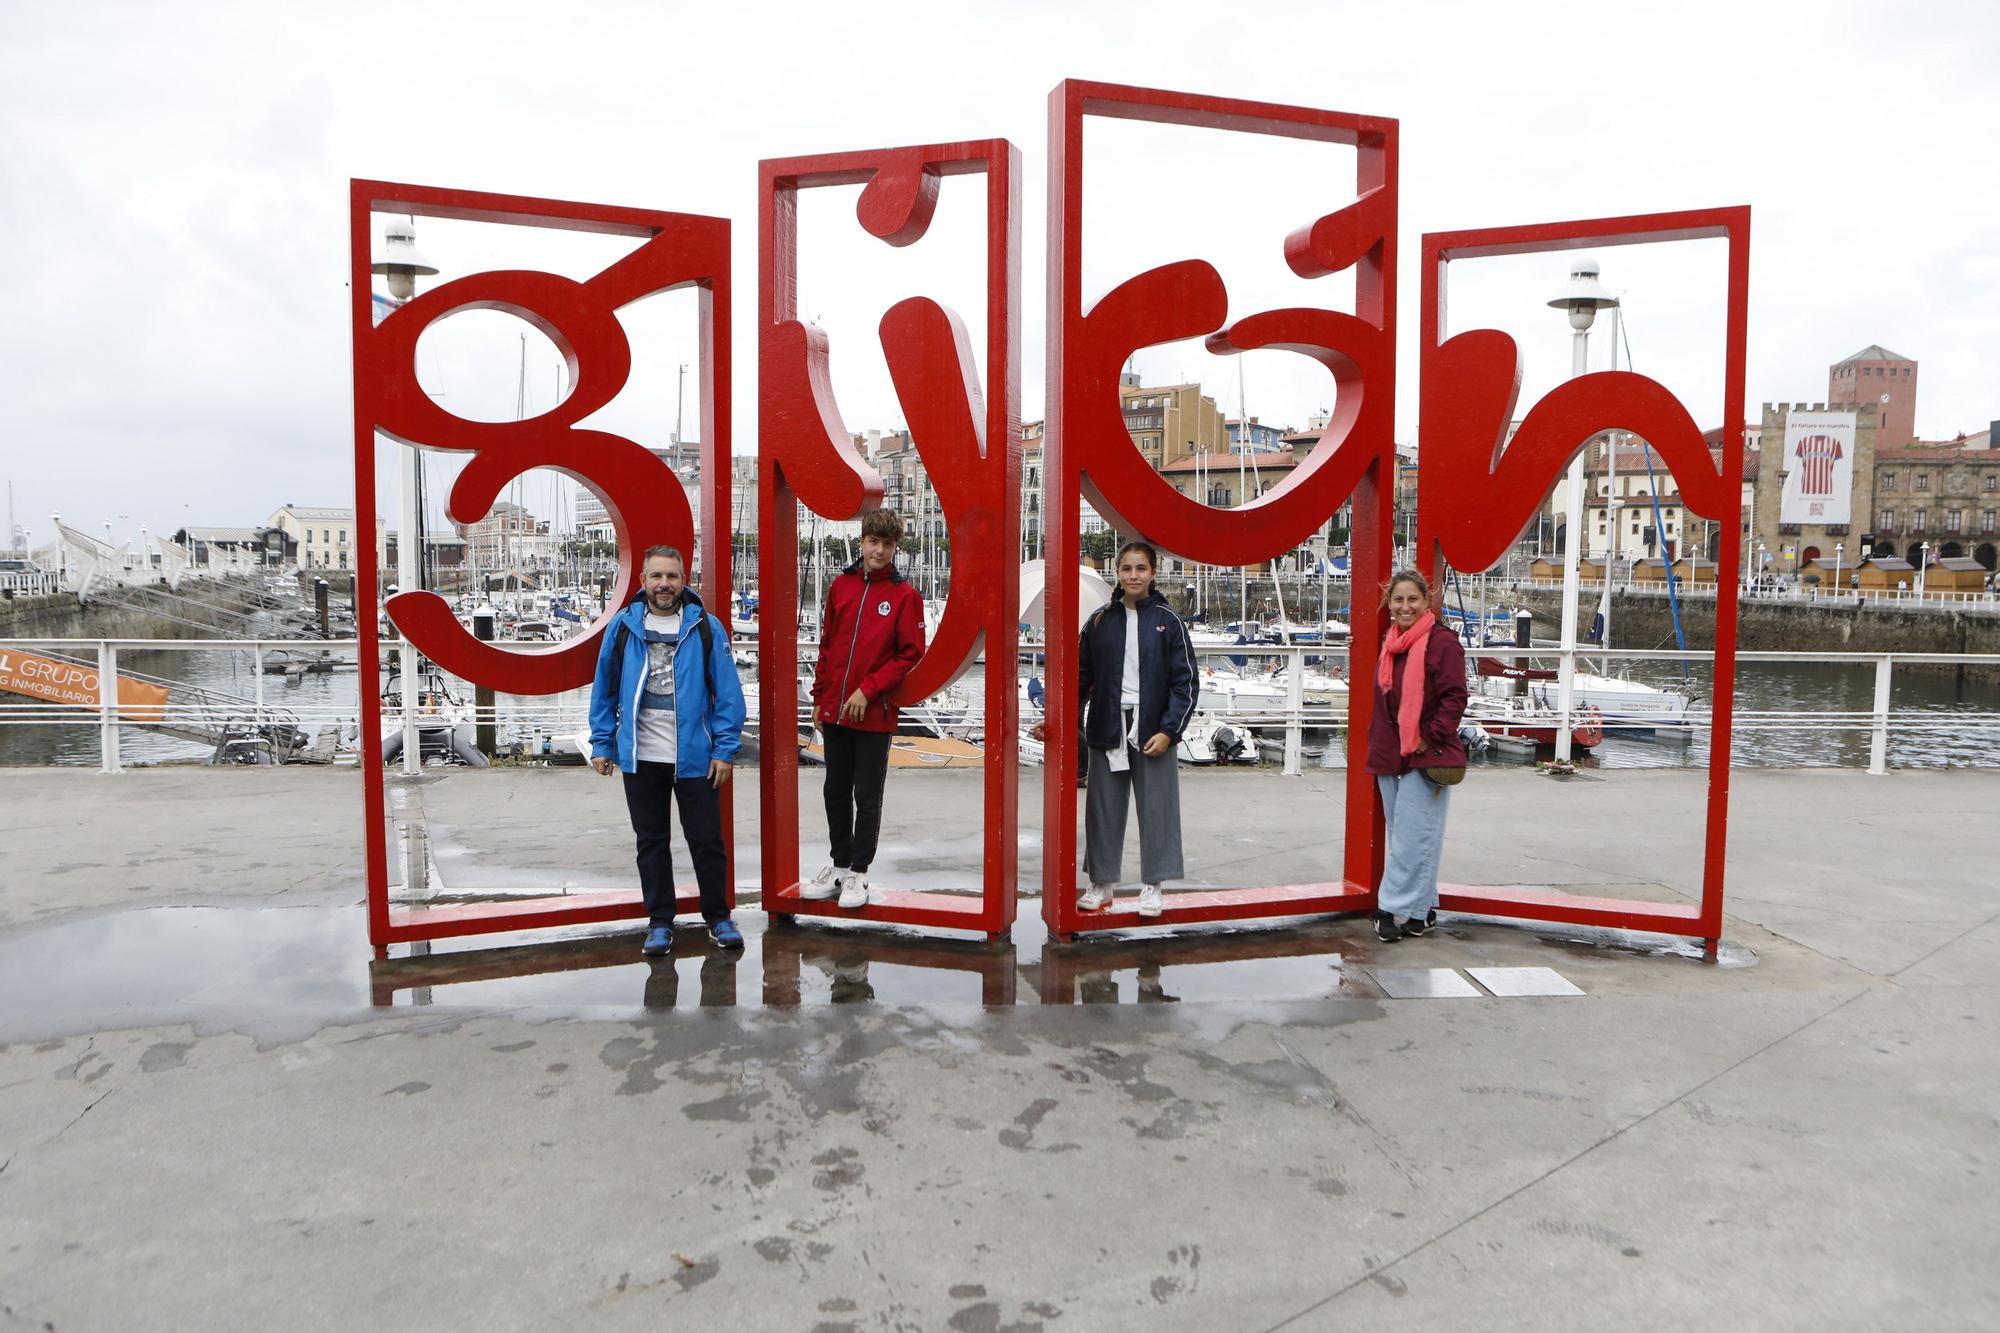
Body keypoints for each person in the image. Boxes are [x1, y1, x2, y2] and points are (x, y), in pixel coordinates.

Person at [589, 545, 747, 956]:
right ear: (642, 581)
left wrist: (725, 750)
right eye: (656, 576)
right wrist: (602, 743)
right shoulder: (623, 628)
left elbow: (728, 696)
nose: (664, 584)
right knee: (651, 841)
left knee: (707, 841)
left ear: (683, 580)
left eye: (672, 577)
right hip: (641, 756)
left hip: (695, 756)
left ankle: (718, 917)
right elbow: (604, 691)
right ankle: (660, 921)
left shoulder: (707, 628)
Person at [1034, 539, 1195, 918]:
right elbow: (1080, 679)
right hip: (1108, 724)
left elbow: (1185, 682)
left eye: (1140, 568)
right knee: (1102, 808)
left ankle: (1153, 886)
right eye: (1127, 568)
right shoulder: (1099, 622)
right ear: (1117, 573)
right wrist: (1057, 719)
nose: (1133, 575)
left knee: (1158, 809)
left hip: (1153, 727)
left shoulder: (1168, 622)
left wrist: (1170, 730)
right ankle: (1101, 882)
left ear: (1153, 573)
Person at [804, 508, 925, 910]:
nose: (879, 550)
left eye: (887, 544)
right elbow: (827, 646)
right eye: (873, 542)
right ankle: (838, 867)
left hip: (873, 713)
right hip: (836, 710)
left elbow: (910, 654)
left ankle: (860, 873)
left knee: (866, 795)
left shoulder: (905, 596)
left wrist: (867, 691)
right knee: (834, 791)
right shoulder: (841, 586)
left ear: (895, 548)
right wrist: (821, 698)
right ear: (862, 542)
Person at [1366, 568, 1468, 942]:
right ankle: (1421, 912)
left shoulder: (1443, 643)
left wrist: (1427, 737)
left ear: (1427, 601)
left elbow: (1456, 697)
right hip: (1389, 752)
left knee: (1412, 838)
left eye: (1412, 599)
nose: (1405, 606)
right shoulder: (1390, 641)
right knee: (1410, 836)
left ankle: (1389, 909)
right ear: (1388, 603)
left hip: (1427, 753)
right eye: (1398, 599)